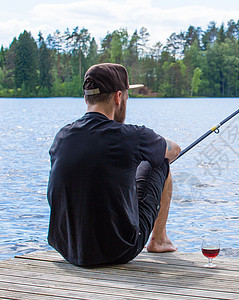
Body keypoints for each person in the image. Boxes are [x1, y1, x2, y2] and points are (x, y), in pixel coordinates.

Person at [47, 63, 181, 267]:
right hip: (117, 250)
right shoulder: (133, 136)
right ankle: (159, 240)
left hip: (68, 248)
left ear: (86, 98)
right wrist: (147, 147)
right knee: (159, 161)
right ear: (118, 97)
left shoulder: (62, 136)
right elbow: (174, 150)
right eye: (127, 97)